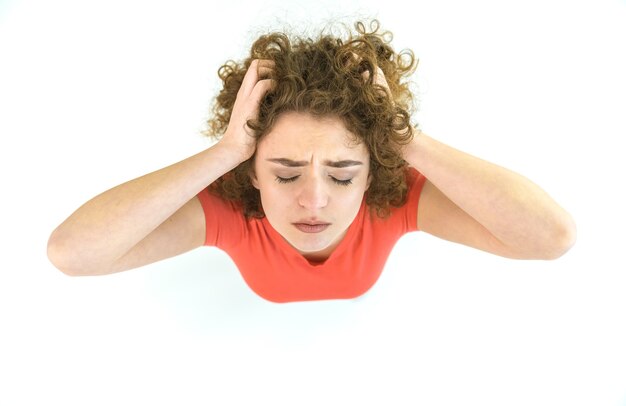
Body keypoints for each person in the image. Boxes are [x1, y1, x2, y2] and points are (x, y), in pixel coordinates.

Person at [47, 20, 576, 303]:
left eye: (343, 175)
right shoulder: (232, 213)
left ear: (374, 174)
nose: (315, 199)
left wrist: (406, 140)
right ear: (252, 173)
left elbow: (552, 237)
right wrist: (226, 151)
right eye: (285, 173)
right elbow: (71, 253)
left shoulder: (394, 200)